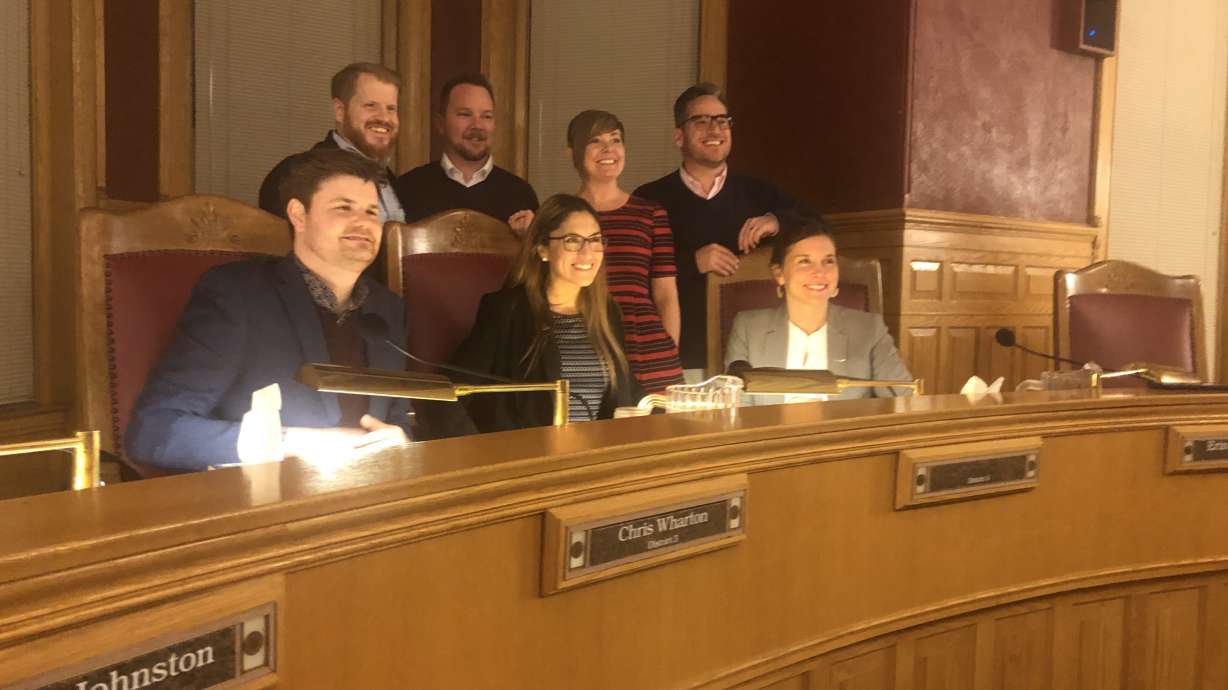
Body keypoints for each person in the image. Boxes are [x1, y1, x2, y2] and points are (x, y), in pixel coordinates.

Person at [128, 150, 420, 471]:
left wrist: (398, 442)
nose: (364, 223)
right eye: (343, 208)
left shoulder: (389, 310)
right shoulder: (237, 296)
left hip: (373, 497)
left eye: (371, 211)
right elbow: (154, 431)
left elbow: (397, 419)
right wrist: (293, 443)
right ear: (298, 214)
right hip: (265, 502)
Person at [635, 83, 814, 380]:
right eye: (701, 121)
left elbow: (818, 227)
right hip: (681, 358)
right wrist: (693, 262)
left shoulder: (760, 193)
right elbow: (632, 274)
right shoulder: (650, 198)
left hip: (753, 358)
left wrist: (776, 221)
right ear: (678, 136)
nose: (714, 129)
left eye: (722, 120)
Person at [447, 194, 642, 432]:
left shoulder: (607, 311)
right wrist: (476, 454)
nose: (587, 253)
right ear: (543, 249)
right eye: (572, 240)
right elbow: (449, 392)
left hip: (598, 457)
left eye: (595, 240)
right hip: (531, 458)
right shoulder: (507, 309)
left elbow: (628, 392)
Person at [724, 216, 912, 403]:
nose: (820, 272)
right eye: (805, 261)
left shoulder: (869, 329)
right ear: (779, 274)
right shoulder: (748, 328)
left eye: (828, 261)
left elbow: (904, 400)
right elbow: (737, 407)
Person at [568, 110, 685, 394]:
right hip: (585, 347)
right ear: (573, 152)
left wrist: (669, 349)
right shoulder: (563, 214)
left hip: (649, 352)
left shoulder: (650, 213)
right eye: (596, 140)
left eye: (616, 140)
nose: (608, 149)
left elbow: (666, 295)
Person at [259, 63, 406, 224]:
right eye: (371, 106)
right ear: (339, 111)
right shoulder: (296, 175)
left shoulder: (396, 183)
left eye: (391, 109)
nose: (384, 118)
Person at [393, 73, 538, 233]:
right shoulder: (408, 189)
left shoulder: (521, 195)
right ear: (440, 123)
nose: (477, 125)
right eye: (465, 114)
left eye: (487, 116)